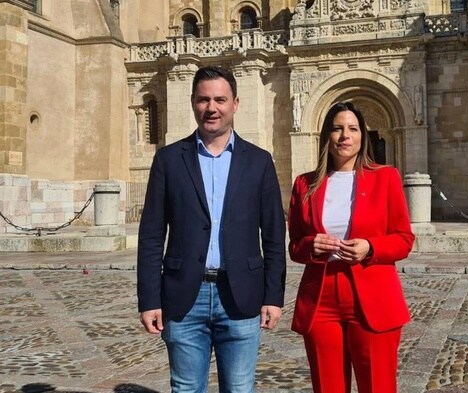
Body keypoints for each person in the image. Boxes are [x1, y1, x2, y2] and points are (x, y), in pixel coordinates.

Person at [137, 66, 286, 393]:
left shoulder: (260, 161)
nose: (211, 107)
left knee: (239, 388)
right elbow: (151, 236)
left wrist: (274, 297)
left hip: (242, 296)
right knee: (186, 388)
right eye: (204, 99)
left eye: (220, 99)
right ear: (192, 102)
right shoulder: (168, 159)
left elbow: (274, 236)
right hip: (182, 297)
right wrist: (149, 299)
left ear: (236, 103)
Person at [288, 102, 415, 393]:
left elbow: (404, 239)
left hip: (372, 297)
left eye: (352, 129)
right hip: (321, 299)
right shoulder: (305, 184)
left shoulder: (386, 178)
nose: (345, 135)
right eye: (337, 128)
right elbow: (295, 246)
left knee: (378, 387)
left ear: (362, 136)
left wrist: (370, 247)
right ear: (326, 136)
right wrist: (312, 244)